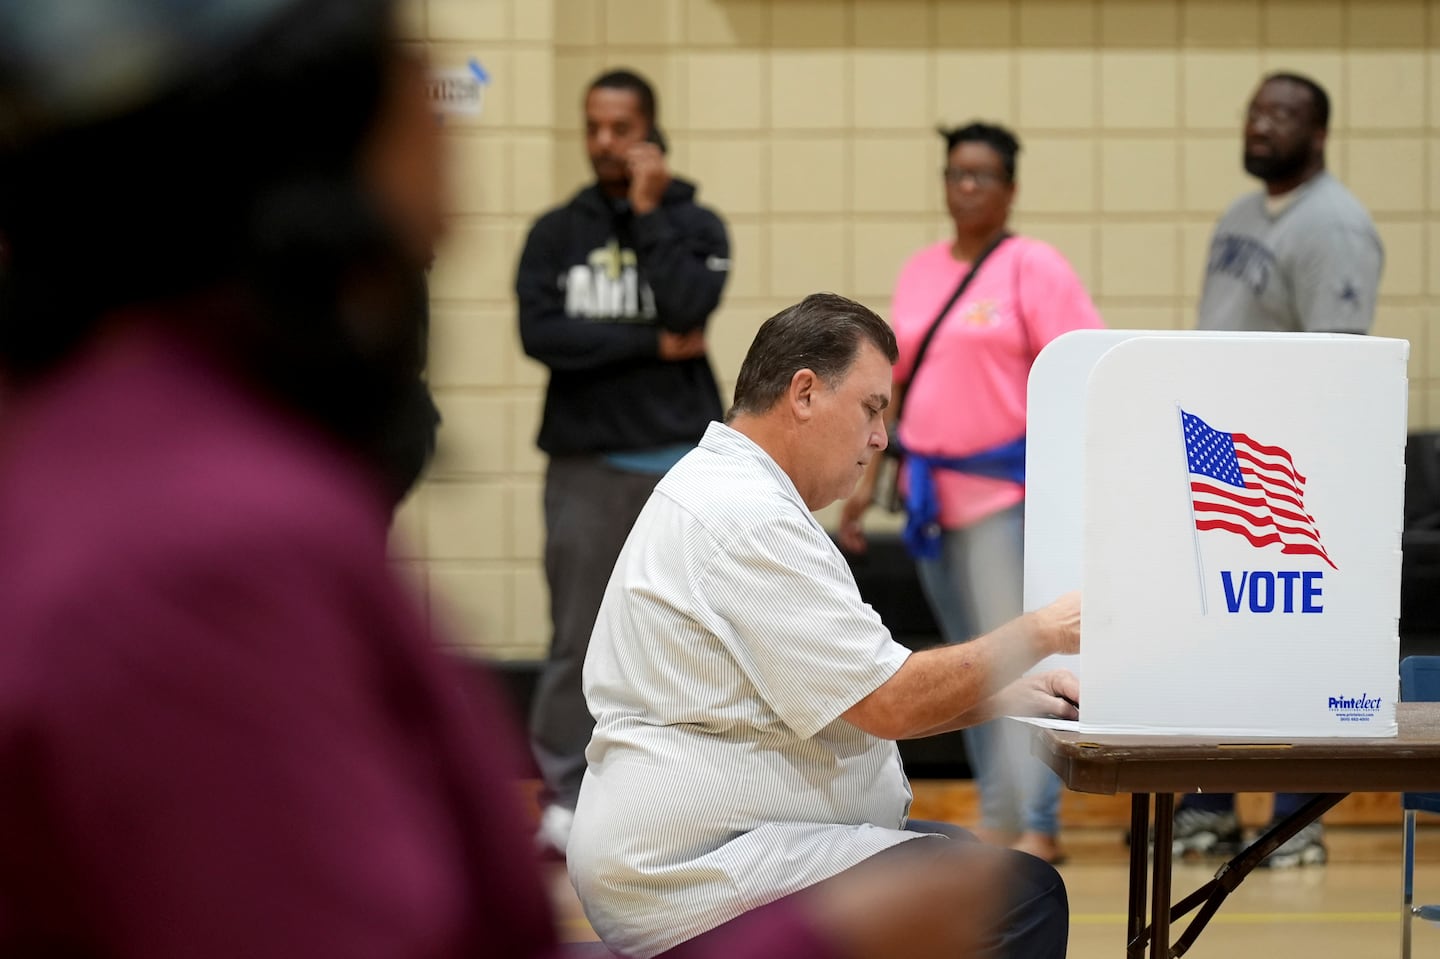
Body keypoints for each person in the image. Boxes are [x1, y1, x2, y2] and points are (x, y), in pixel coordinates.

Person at [0, 4, 1027, 958]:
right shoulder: (210, 539)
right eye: (420, 129)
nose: (443, 219)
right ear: (312, 199)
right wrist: (822, 937)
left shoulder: (181, 483)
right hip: (692, 852)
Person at [569, 292, 1083, 959]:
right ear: (805, 392)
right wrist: (1040, 632)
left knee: (957, 855)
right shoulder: (747, 515)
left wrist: (1000, 694)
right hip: (692, 870)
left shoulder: (731, 491)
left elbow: (850, 691)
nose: (881, 438)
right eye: (872, 408)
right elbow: (888, 700)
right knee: (1020, 894)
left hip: (705, 845)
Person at [838, 122, 1103, 865]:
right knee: (971, 669)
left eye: (983, 175)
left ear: (1011, 188)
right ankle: (1000, 815)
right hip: (930, 500)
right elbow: (890, 386)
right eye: (955, 173)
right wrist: (863, 488)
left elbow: (1082, 369)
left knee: (1021, 662)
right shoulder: (921, 270)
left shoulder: (1034, 268)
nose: (966, 189)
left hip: (1004, 500)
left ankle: (1037, 823)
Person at [516, 68, 730, 856]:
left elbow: (689, 308)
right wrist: (646, 347)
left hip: (680, 463)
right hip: (585, 462)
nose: (604, 142)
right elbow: (543, 337)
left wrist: (647, 213)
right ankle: (566, 797)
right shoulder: (554, 233)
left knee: (690, 637)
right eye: (593, 127)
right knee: (577, 635)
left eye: (620, 127)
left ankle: (685, 796)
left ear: (648, 130)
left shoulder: (695, 223)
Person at [1176, 72, 1384, 869]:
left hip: (1289, 467)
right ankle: (1210, 808)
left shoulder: (1337, 225)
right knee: (1216, 633)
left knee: (1294, 643)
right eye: (1256, 110)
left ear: (1319, 133)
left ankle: (1294, 821)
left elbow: (1335, 363)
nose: (1262, 125)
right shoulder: (1238, 215)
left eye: (1283, 115)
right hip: (1219, 455)